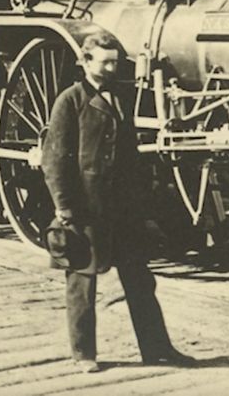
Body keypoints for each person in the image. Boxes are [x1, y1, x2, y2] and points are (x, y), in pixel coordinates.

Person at [41, 31, 191, 374]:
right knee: (82, 283)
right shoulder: (70, 101)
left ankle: (158, 349)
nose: (111, 68)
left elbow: (129, 156)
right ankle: (84, 354)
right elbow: (55, 160)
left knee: (140, 280)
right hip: (85, 209)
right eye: (104, 62)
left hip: (123, 210)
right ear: (85, 61)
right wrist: (64, 207)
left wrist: (143, 201)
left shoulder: (121, 97)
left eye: (115, 62)